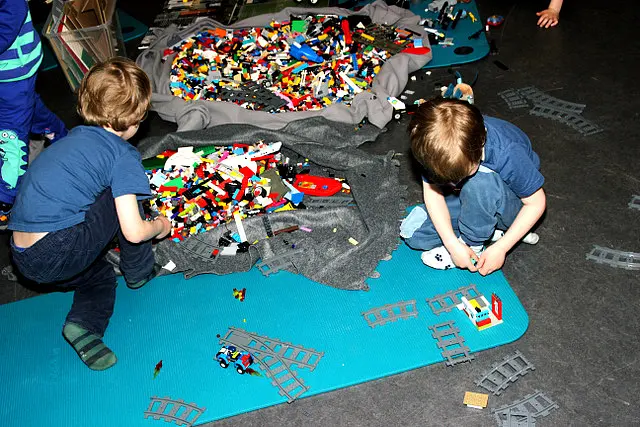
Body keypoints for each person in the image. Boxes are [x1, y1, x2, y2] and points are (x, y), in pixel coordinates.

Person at [8, 58, 172, 371]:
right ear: (136, 119)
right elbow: (134, 231)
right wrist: (160, 225)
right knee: (125, 197)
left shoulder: (72, 138)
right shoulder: (123, 155)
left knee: (100, 277)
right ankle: (139, 272)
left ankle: (84, 327)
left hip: (24, 257)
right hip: (57, 248)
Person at [400, 97, 546, 276]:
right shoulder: (432, 148)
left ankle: (474, 243)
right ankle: (491, 231)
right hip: (473, 198)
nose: (453, 182)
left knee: (478, 182)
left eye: (463, 174)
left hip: (512, 205)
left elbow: (536, 203)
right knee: (414, 234)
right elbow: (433, 194)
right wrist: (452, 244)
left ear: (482, 142)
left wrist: (502, 248)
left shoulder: (508, 152)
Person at [0, 0, 68, 228]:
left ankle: (6, 200)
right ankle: (59, 135)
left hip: (13, 70)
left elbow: (10, 21)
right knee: (29, 111)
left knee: (11, 135)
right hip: (9, 71)